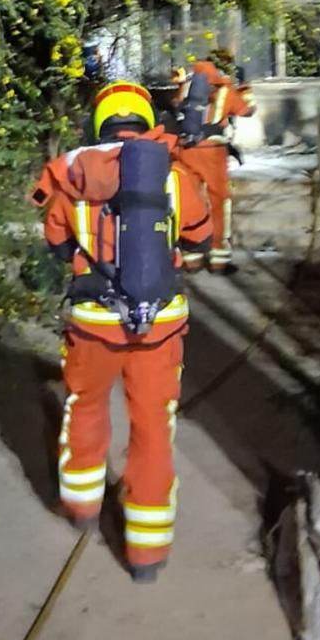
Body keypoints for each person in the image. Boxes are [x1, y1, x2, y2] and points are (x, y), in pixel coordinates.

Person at [29, 80, 212, 581]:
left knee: (84, 407)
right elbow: (201, 236)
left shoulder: (74, 177)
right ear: (145, 120)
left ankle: (82, 509)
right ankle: (146, 555)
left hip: (93, 324)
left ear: (98, 123)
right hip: (160, 324)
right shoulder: (173, 176)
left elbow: (57, 244)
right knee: (153, 427)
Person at [171, 50, 255, 274]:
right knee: (219, 201)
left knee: (190, 200)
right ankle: (218, 258)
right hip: (213, 151)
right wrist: (245, 89)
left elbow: (177, 106)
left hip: (185, 149)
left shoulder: (187, 85)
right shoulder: (225, 88)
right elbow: (247, 111)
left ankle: (191, 257)